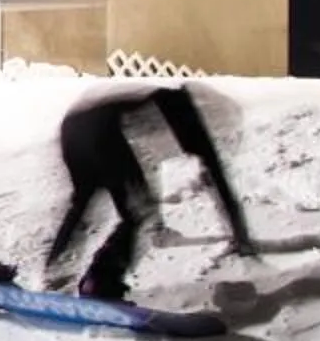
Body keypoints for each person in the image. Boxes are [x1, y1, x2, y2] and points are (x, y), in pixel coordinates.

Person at [34, 83, 257, 301]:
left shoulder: (172, 104)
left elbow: (147, 167)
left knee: (84, 200)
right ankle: (99, 282)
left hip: (73, 126)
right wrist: (241, 237)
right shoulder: (188, 116)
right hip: (103, 132)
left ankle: (54, 275)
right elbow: (219, 182)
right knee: (139, 213)